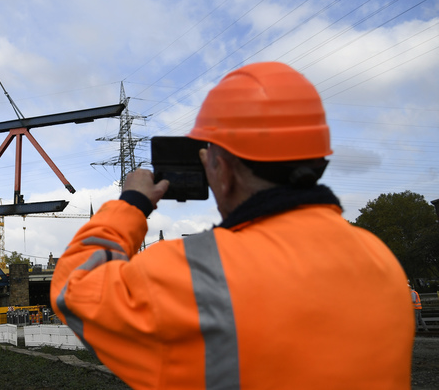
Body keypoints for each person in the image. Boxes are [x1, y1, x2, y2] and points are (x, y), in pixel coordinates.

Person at [50, 62, 414, 389]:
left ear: (221, 169)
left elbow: (73, 289)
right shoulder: (381, 259)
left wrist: (132, 204)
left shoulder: (195, 273)